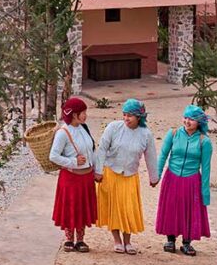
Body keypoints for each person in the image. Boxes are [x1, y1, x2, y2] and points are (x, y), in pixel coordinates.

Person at [94, 98, 158, 254]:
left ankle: (128, 241)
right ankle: (117, 240)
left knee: (128, 208)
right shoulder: (113, 128)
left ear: (139, 117)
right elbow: (102, 149)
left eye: (130, 115)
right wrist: (98, 170)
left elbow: (151, 156)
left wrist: (153, 177)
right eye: (124, 114)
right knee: (114, 208)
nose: (126, 118)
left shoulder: (146, 134)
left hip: (130, 175)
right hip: (111, 173)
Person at [155, 104, 213, 255]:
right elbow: (163, 155)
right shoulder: (173, 134)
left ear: (199, 122)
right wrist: (157, 175)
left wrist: (205, 192)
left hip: (192, 179)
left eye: (192, 119)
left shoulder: (204, 141)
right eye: (185, 117)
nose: (187, 121)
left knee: (190, 209)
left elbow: (206, 168)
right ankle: (170, 240)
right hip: (172, 177)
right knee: (171, 207)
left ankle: (187, 243)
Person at [49, 96, 98, 252]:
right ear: (74, 114)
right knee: (71, 206)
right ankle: (69, 239)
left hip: (86, 177)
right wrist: (72, 162)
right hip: (71, 177)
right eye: (82, 112)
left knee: (82, 208)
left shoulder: (84, 128)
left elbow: (92, 151)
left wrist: (96, 170)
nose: (85, 115)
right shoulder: (63, 133)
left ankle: (81, 240)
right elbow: (53, 156)